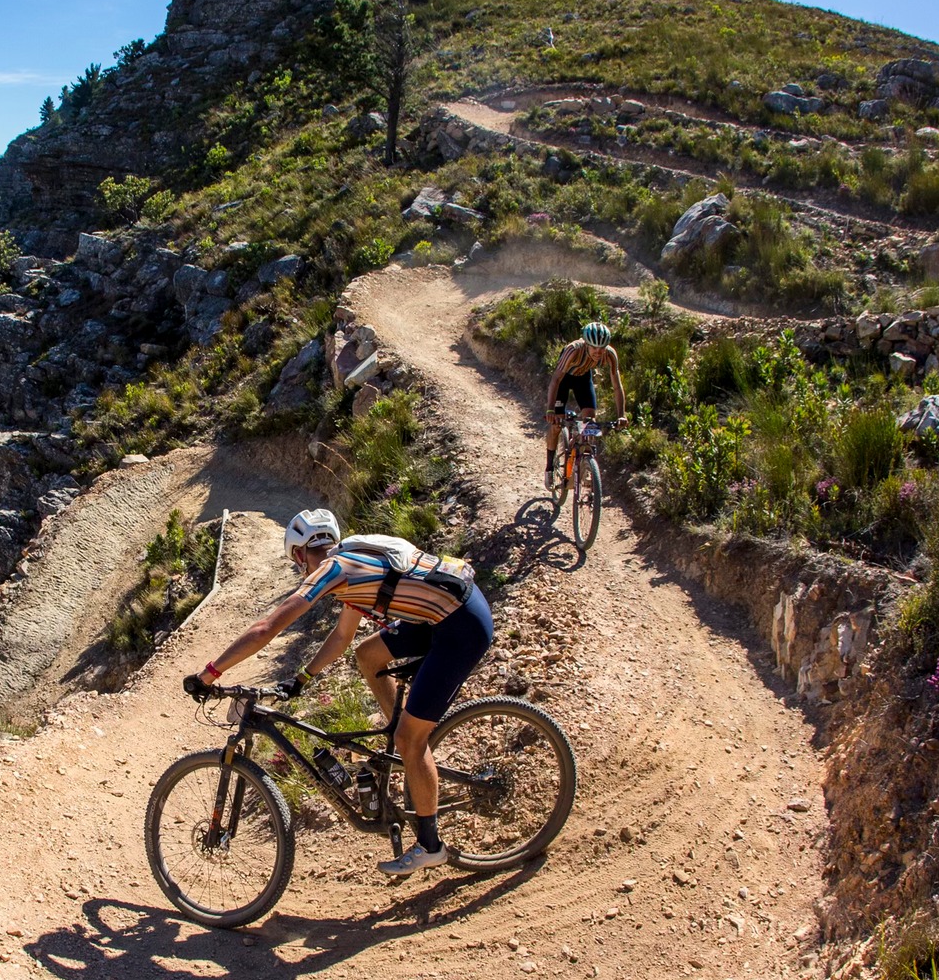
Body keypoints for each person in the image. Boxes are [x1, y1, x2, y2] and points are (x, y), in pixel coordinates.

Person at [182, 509, 494, 875]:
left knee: (413, 738)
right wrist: (301, 679)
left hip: (462, 626)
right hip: (439, 614)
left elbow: (267, 627)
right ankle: (401, 737)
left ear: (299, 554)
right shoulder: (350, 562)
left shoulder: (334, 570)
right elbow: (345, 637)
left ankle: (430, 845)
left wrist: (210, 673)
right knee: (368, 654)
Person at [543, 320, 627, 492]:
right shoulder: (573, 350)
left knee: (590, 420)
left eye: (601, 348)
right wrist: (551, 410)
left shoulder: (609, 354)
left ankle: (585, 463)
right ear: (586, 344)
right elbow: (555, 380)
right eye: (594, 348)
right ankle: (549, 468)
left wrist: (621, 415)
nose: (598, 352)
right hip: (564, 380)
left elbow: (617, 386)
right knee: (556, 425)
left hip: (583, 379)